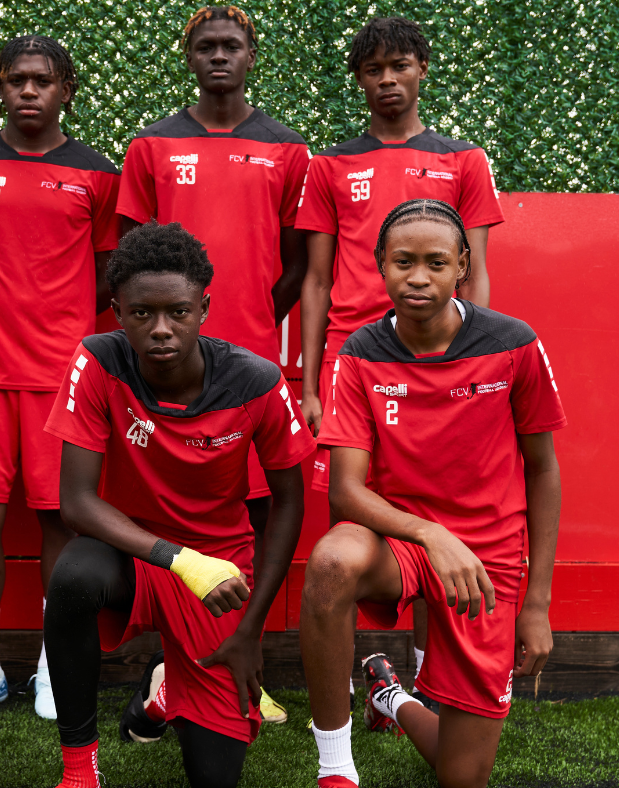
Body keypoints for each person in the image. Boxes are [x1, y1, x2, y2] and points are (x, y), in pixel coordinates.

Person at [299, 200, 565, 788]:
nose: (418, 277)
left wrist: (538, 605)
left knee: (461, 778)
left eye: (436, 262)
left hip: (487, 559)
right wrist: (429, 532)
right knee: (331, 561)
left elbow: (544, 472)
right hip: (404, 542)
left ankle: (389, 697)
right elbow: (344, 492)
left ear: (462, 266)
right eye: (403, 262)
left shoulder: (514, 344)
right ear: (380, 266)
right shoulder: (361, 353)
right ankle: (335, 770)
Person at [42, 221, 314, 788]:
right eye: (142, 314)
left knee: (214, 776)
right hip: (136, 554)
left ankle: (166, 688)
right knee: (71, 575)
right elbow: (77, 503)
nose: (161, 329)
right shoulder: (98, 360)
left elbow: (290, 503)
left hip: (220, 571)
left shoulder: (256, 381)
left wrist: (251, 629)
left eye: (178, 313)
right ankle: (79, 771)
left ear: (204, 308)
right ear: (118, 313)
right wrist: (177, 559)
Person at [295, 16, 505, 702]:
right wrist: (311, 378)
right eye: (373, 70)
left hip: (438, 364)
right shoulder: (331, 165)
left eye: (399, 66)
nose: (387, 80)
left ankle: (427, 672)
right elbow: (317, 281)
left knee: (440, 500)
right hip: (356, 363)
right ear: (359, 80)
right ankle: (342, 680)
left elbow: (474, 274)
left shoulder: (463, 159)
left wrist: (477, 356)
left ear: (422, 70)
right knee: (349, 515)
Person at [115, 4, 311, 724]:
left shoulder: (288, 148)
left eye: (232, 45)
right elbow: (127, 262)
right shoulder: (152, 146)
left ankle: (238, 665)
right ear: (189, 57)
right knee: (169, 509)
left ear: (252, 55)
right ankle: (167, 667)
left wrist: (253, 311)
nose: (219, 56)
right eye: (206, 46)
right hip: (162, 366)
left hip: (249, 360)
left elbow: (296, 264)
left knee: (253, 513)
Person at [0, 35, 120, 718]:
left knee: (59, 517)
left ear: (66, 89)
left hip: (59, 374)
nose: (29, 91)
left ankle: (49, 664)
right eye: (16, 80)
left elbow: (106, 274)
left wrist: (57, 326)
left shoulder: (98, 173)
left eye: (42, 81)